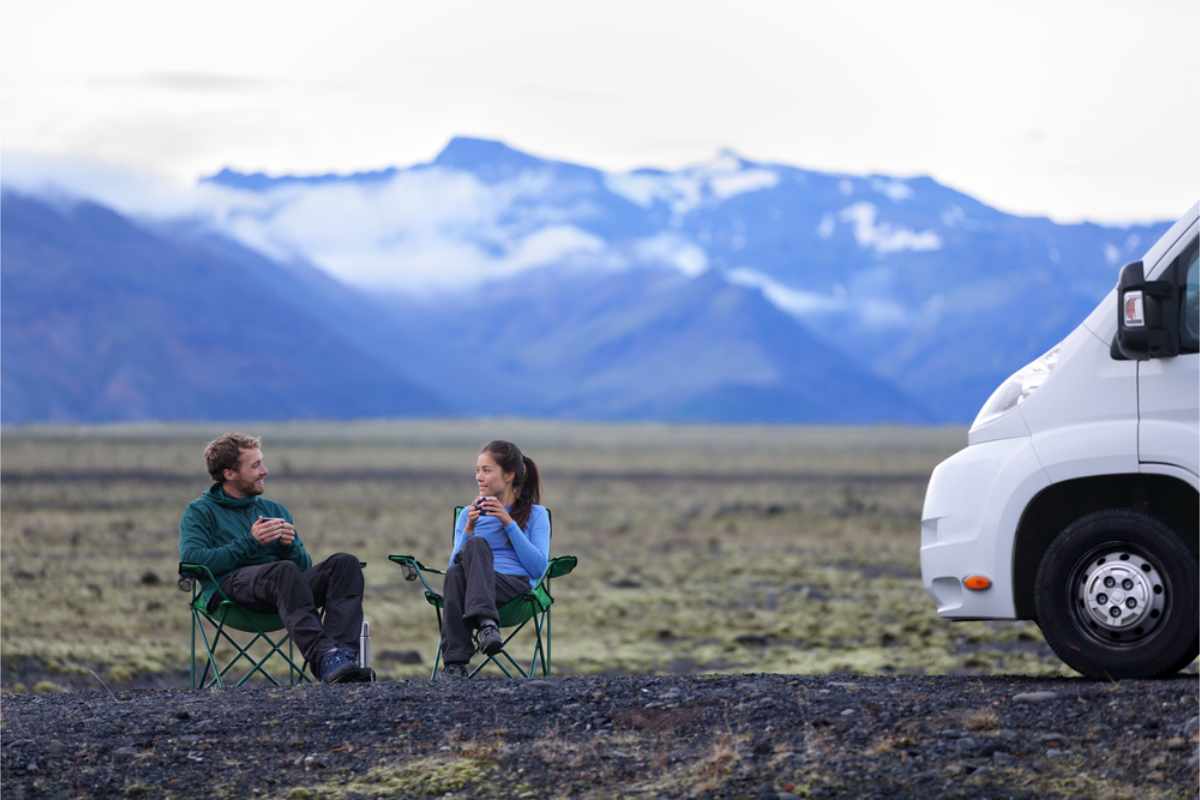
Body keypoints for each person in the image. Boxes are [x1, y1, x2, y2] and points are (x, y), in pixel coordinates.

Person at [179, 432, 371, 684]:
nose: (264, 471)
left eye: (262, 463)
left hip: (286, 591)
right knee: (283, 571)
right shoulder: (200, 511)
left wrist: (289, 546)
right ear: (229, 473)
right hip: (230, 590)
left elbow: (303, 567)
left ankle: (342, 658)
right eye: (255, 465)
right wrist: (250, 542)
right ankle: (325, 656)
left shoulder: (273, 510)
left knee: (344, 564)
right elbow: (192, 560)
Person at [441, 440, 550, 677]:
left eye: (487, 470)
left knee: (474, 551)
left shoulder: (536, 514)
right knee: (466, 558)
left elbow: (538, 569)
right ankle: (467, 650)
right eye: (477, 471)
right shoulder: (468, 515)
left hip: (515, 588)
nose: (479, 477)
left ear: (509, 475)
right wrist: (469, 528)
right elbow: (452, 568)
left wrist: (508, 523)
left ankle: (467, 647)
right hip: (473, 590)